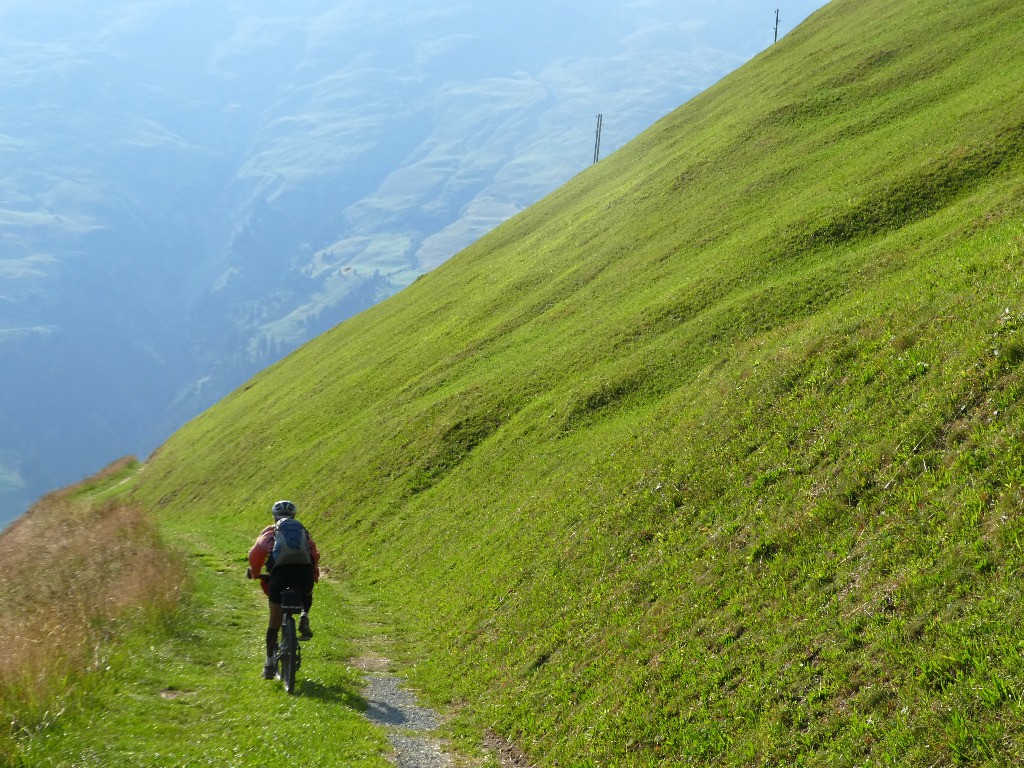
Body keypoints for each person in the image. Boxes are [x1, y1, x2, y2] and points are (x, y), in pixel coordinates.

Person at [247, 499, 321, 680]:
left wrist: (255, 573)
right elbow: (314, 555)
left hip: (279, 576)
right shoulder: (303, 531)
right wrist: (314, 575)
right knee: (307, 592)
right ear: (294, 515)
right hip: (303, 575)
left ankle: (270, 664)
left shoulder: (271, 532)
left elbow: (256, 555)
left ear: (274, 516)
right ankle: (304, 615)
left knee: (274, 623)